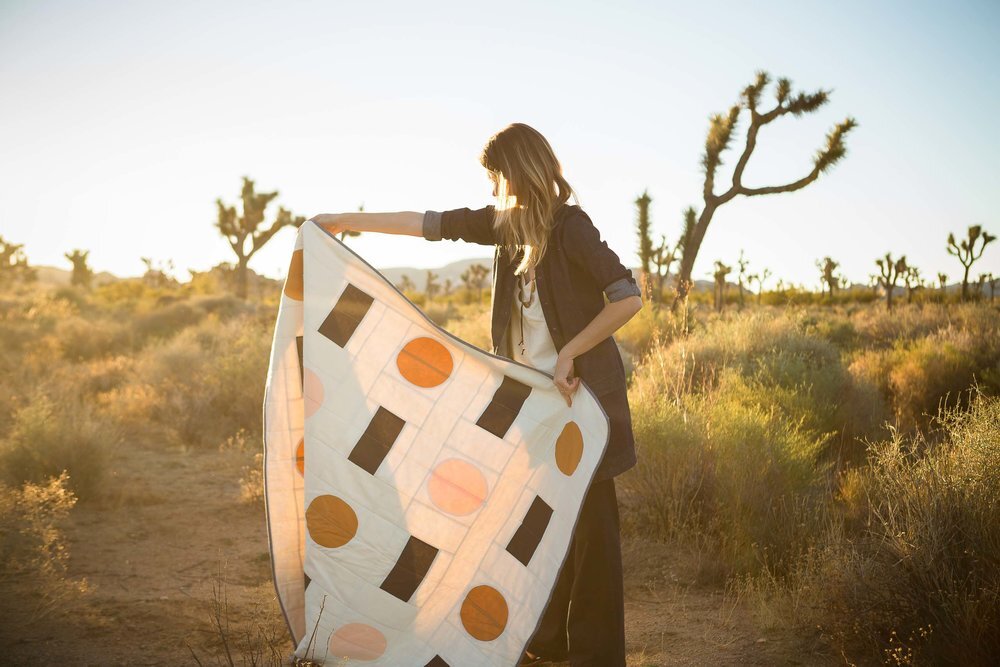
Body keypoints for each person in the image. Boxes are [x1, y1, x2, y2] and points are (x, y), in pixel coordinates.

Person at [307, 122, 643, 667]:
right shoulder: (508, 229)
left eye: (495, 177)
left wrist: (569, 352)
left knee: (594, 530)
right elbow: (429, 224)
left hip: (583, 402)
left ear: (516, 170)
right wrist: (344, 221)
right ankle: (549, 639)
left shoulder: (571, 228)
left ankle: (598, 655)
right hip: (536, 405)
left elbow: (627, 297)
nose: (492, 190)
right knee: (543, 523)